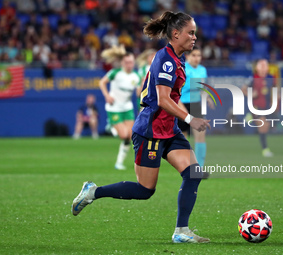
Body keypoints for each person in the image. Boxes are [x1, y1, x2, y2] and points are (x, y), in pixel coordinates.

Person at [72, 11, 211, 244]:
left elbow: (172, 97)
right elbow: (164, 100)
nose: (194, 37)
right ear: (175, 34)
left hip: (168, 129)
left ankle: (181, 231)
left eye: (194, 33)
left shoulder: (178, 59)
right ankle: (93, 191)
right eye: (191, 32)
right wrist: (190, 119)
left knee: (193, 172)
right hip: (151, 130)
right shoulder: (165, 59)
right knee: (145, 190)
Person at [99, 45, 141, 170]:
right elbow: (102, 82)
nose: (130, 64)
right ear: (122, 63)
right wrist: (107, 95)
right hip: (114, 107)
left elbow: (138, 93)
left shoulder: (136, 76)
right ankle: (111, 126)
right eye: (127, 62)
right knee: (123, 135)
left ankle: (119, 163)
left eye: (131, 62)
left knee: (130, 136)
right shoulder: (116, 73)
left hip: (127, 108)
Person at [178, 47, 214, 167]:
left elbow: (202, 88)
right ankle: (185, 165)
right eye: (194, 55)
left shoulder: (202, 70)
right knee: (183, 138)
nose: (196, 58)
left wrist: (207, 98)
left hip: (196, 105)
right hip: (182, 105)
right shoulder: (182, 69)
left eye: (199, 55)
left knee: (200, 135)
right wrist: (181, 109)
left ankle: (200, 167)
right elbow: (176, 91)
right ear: (187, 56)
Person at [242, 59, 276, 157]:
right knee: (263, 126)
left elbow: (274, 89)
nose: (263, 68)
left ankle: (251, 117)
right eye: (261, 66)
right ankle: (265, 150)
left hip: (268, 106)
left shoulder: (271, 77)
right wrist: (251, 94)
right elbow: (243, 89)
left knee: (266, 127)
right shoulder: (253, 78)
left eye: (265, 65)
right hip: (256, 106)